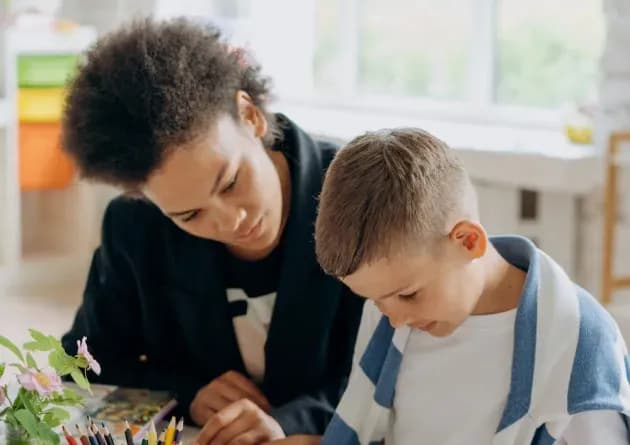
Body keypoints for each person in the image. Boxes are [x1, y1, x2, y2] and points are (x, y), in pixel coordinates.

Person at [60, 18, 363, 444]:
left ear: (250, 115)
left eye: (231, 183)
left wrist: (292, 421)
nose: (229, 222)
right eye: (189, 215)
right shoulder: (135, 226)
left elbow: (398, 372)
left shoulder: (360, 196)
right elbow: (84, 361)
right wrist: (187, 393)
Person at [314, 128, 630, 444]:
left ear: (468, 242)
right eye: (376, 300)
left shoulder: (578, 345)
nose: (395, 319)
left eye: (408, 294)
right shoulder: (389, 315)